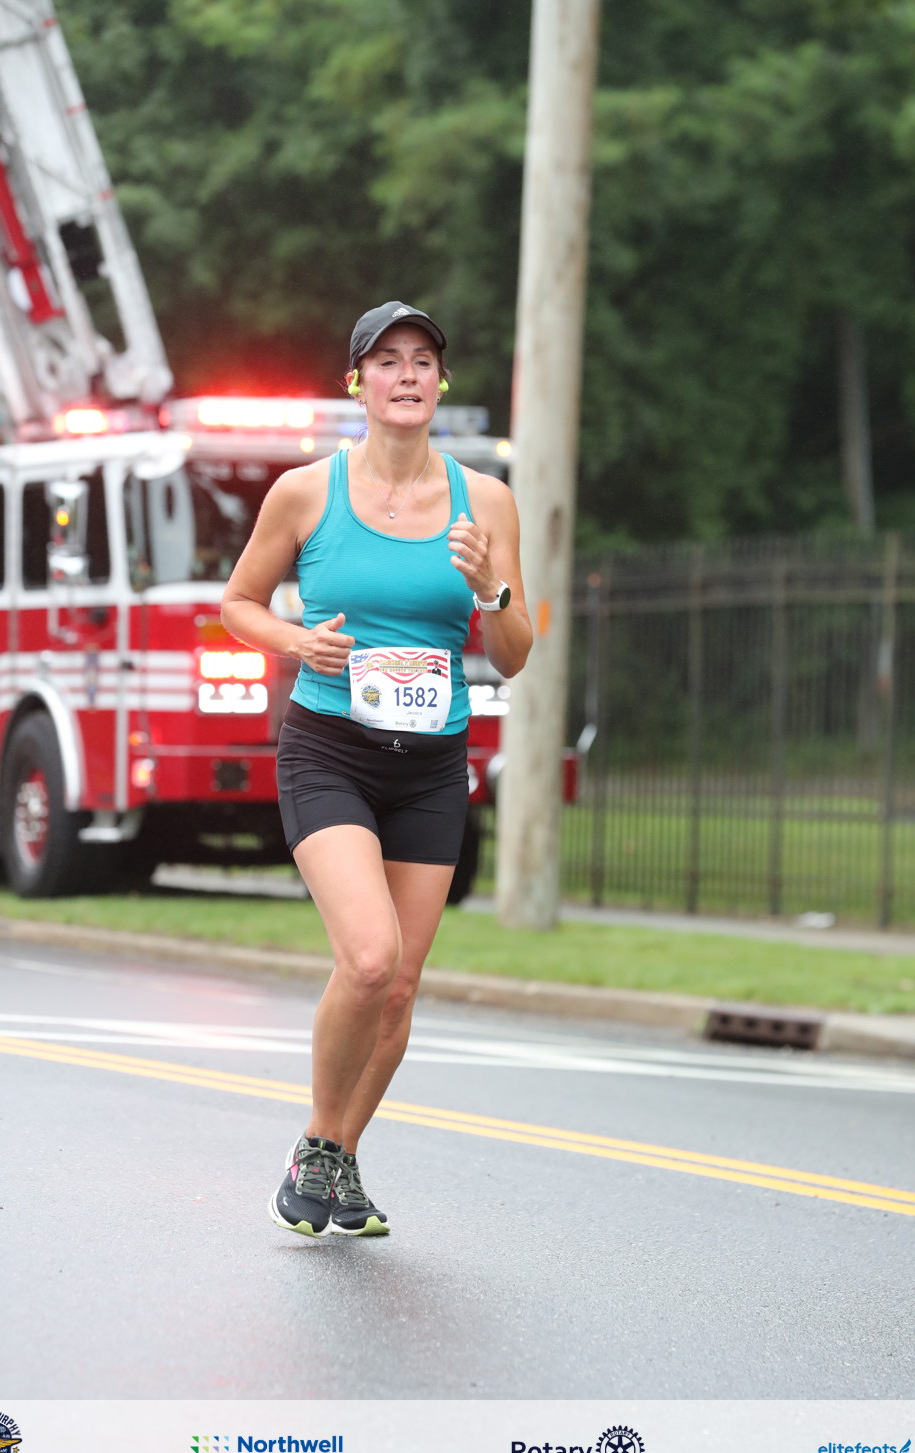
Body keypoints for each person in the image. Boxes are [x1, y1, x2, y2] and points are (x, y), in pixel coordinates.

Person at [220, 300, 532, 1237]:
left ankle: (343, 1159)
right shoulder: (305, 492)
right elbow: (239, 603)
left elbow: (515, 651)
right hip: (331, 750)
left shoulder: (488, 501)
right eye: (387, 360)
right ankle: (317, 1142)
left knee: (400, 987)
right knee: (368, 959)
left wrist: (490, 589)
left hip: (432, 764)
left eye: (423, 360)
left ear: (442, 381)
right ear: (357, 383)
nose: (407, 375)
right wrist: (295, 640)